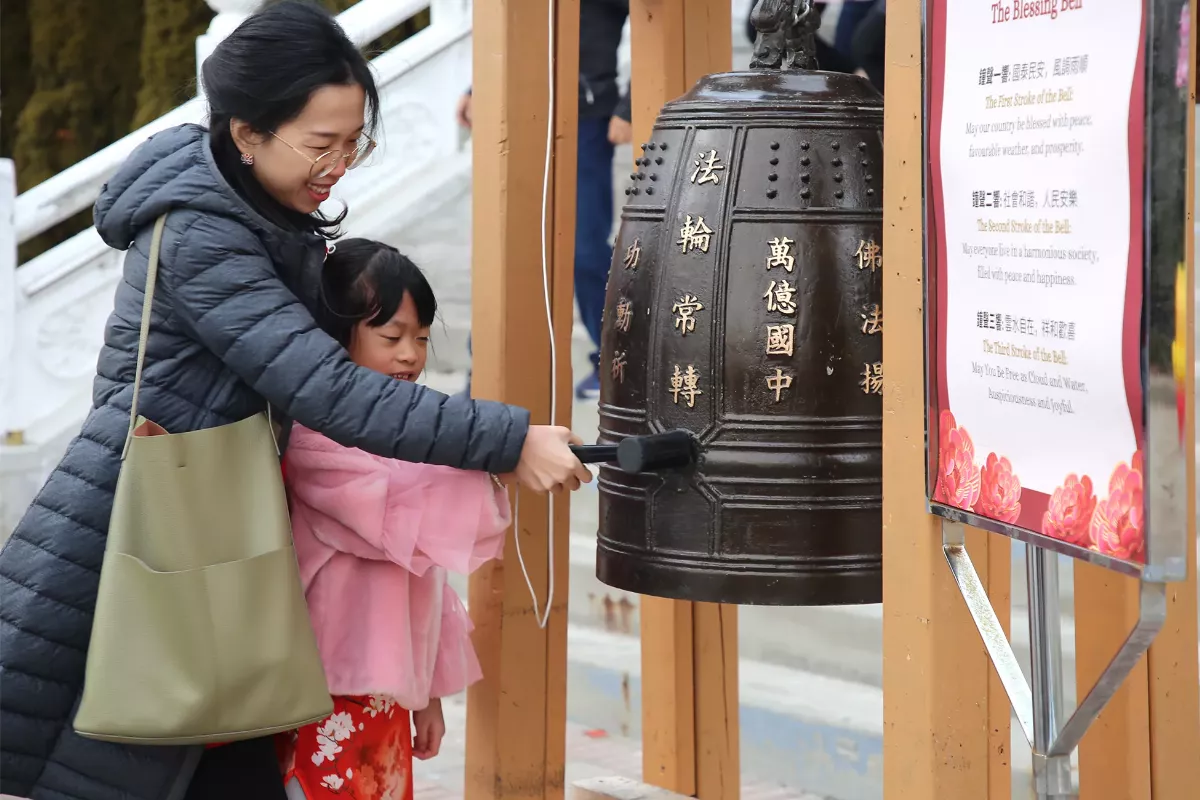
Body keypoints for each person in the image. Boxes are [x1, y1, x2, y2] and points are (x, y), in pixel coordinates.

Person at [0, 3, 590, 799]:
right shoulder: (204, 235)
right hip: (157, 531)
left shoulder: (270, 219)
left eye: (355, 142)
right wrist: (506, 440)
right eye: (322, 144)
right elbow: (329, 389)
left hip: (219, 535)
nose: (341, 163)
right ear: (247, 133)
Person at [277, 239, 510, 799]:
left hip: (387, 694)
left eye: (422, 338)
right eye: (392, 337)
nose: (410, 354)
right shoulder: (312, 438)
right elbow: (406, 518)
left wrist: (425, 694)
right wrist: (511, 455)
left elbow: (427, 580)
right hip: (322, 688)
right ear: (338, 335)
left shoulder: (408, 433)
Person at [457, 0, 633, 400]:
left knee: (585, 251)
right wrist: (477, 86)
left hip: (586, 118)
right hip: (517, 110)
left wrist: (630, 105)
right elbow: (512, 22)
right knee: (507, 246)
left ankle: (616, 362)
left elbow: (655, 21)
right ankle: (484, 370)